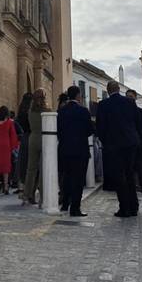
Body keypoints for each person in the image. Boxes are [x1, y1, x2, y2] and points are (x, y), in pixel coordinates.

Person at [95, 80, 142, 217]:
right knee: (129, 175)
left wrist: (106, 142)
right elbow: (137, 124)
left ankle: (124, 208)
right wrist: (136, 141)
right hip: (131, 143)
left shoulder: (103, 105)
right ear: (119, 89)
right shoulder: (129, 102)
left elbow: (100, 127)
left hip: (114, 145)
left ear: (108, 90)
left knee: (119, 176)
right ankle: (134, 207)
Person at [57, 85, 94, 216]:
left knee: (66, 177)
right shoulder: (83, 111)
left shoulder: (61, 111)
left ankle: (65, 204)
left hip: (65, 149)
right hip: (80, 150)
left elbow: (58, 131)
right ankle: (75, 208)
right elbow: (90, 130)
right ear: (78, 95)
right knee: (78, 180)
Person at [23, 89, 47, 207]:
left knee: (30, 169)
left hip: (32, 138)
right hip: (44, 139)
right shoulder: (46, 111)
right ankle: (42, 197)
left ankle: (26, 195)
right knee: (43, 170)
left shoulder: (30, 111)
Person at [16, 92, 33, 191]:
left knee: (23, 162)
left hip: (24, 137)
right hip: (32, 136)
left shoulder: (21, 111)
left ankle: (22, 184)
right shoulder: (31, 111)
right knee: (32, 163)